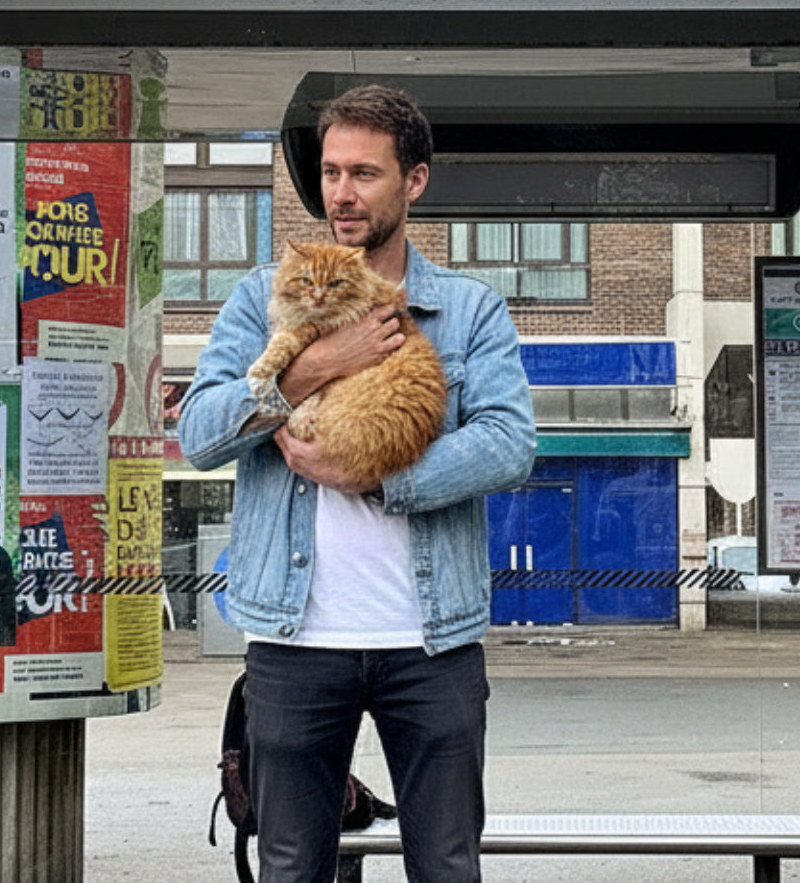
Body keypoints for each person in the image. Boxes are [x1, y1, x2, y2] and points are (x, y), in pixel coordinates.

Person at [179, 84, 536, 883]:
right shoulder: (258, 297)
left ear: (413, 182)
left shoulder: (469, 309)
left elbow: (511, 444)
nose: (341, 193)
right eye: (332, 172)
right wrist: (312, 370)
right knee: (291, 867)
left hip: (431, 639)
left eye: (365, 174)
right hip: (293, 639)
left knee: (446, 865)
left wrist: (379, 483)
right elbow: (200, 435)